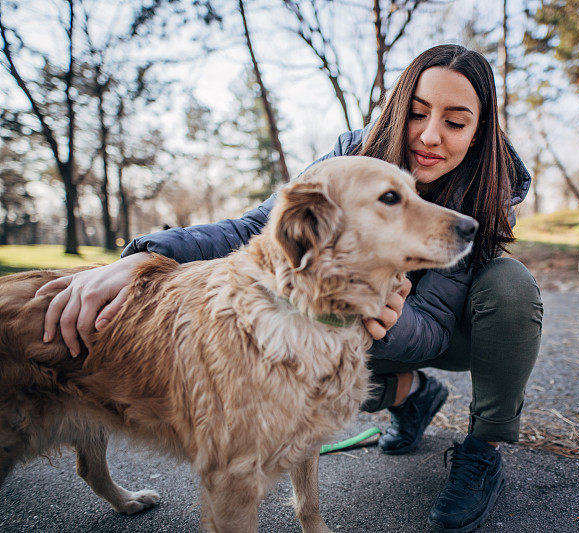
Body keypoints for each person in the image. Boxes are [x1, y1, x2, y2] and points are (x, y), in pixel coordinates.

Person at [38, 44, 543, 533]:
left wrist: (387, 317)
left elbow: (431, 328)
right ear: (396, 109)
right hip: (349, 318)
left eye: (455, 122)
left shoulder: (484, 194)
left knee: (510, 285)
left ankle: (483, 448)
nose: (430, 136)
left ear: (477, 133)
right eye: (417, 113)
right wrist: (146, 256)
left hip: (439, 331)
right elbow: (255, 228)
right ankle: (410, 393)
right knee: (307, 367)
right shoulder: (353, 157)